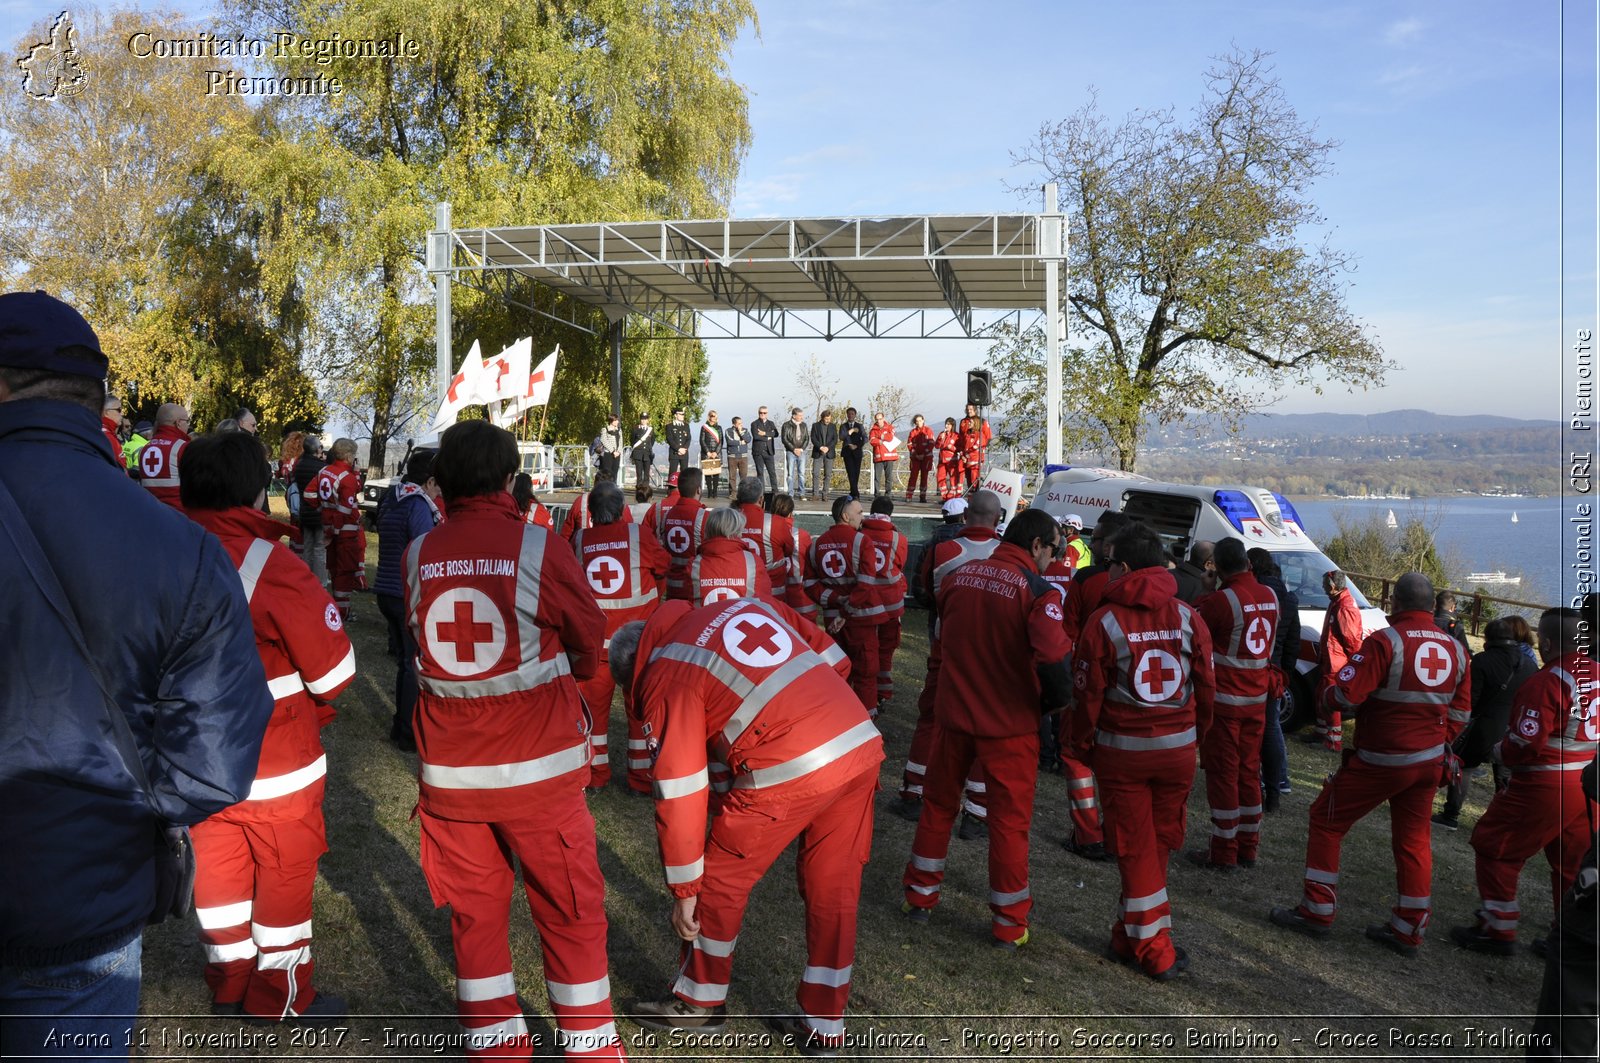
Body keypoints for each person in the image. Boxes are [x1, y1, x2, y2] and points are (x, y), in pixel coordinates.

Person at [0, 291, 272, 1057]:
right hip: (82, 908)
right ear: (95, 401)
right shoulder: (183, 550)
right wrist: (119, 805)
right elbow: (215, 762)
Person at [402, 420, 625, 1061]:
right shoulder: (538, 549)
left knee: (475, 923)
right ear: (509, 479)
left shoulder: (419, 554)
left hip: (451, 782)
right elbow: (588, 644)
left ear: (441, 481)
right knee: (572, 916)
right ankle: (590, 1052)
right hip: (541, 780)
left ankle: (495, 1051)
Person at [614, 598, 880, 1054]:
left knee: (718, 883)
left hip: (787, 766)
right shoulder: (743, 604)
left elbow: (680, 790)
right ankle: (824, 1022)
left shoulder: (664, 673)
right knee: (834, 890)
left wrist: (684, 891)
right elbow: (836, 659)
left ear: (633, 672)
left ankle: (700, 1000)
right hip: (856, 740)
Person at [179, 431, 354, 1023]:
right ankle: (280, 1000)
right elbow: (336, 674)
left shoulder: (155, 548)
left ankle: (228, 986)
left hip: (189, 759)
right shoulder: (269, 564)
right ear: (257, 490)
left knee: (216, 877)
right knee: (283, 880)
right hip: (274, 762)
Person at [1268, 572, 1470, 957]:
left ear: (1396, 603)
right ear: (1431, 606)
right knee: (1413, 842)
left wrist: (1325, 697)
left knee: (1326, 820)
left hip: (1383, 756)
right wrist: (1439, 740)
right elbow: (1462, 710)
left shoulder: (1386, 641)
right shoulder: (1458, 649)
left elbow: (1345, 694)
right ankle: (1409, 928)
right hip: (1428, 761)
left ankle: (1317, 910)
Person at [901, 510, 1071, 949]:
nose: (1056, 558)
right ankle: (1009, 925)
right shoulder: (1038, 591)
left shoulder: (961, 576)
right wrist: (1052, 705)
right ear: (1036, 544)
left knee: (937, 808)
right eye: (1055, 548)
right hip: (1008, 725)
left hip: (953, 716)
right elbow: (1054, 658)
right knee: (1008, 824)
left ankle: (919, 897)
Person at [1067, 520, 1216, 980]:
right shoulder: (1191, 617)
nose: (1106, 572)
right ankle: (1127, 935)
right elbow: (1207, 690)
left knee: (1134, 850)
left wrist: (1078, 746)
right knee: (1156, 846)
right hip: (1177, 753)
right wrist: (1197, 740)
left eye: (1109, 563)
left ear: (1125, 566)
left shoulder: (1103, 621)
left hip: (1123, 755)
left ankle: (1156, 952)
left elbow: (1087, 696)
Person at [1451, 608, 1598, 955]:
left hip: (1546, 784)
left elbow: (1525, 741)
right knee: (1574, 864)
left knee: (1495, 846)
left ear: (1545, 642)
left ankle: (1497, 930)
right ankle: (1568, 936)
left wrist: (1500, 751)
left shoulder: (1549, 681)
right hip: (1589, 783)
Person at [897, 490, 1002, 827]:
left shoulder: (944, 550)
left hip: (947, 650)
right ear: (998, 519)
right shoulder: (1008, 553)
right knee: (983, 730)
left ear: (967, 514)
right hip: (991, 658)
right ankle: (977, 810)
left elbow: (927, 591)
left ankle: (914, 792)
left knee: (930, 721)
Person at [571, 480, 670, 793]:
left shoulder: (579, 540)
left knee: (593, 714)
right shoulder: (637, 535)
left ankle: (595, 776)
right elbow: (663, 565)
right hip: (637, 645)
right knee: (640, 711)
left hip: (596, 646)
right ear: (622, 510)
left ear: (590, 512)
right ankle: (641, 778)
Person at [1188, 537, 1279, 873]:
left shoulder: (1222, 600)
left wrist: (1206, 590)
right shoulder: (1270, 596)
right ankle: (1248, 847)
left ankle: (1223, 851)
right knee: (1248, 773)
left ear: (1220, 569)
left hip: (1225, 704)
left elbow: (1195, 626)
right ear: (1249, 564)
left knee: (1223, 776)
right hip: (1257, 703)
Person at [375, 447, 443, 752]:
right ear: (429, 482)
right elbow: (424, 549)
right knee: (412, 664)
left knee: (404, 661)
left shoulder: (392, 498)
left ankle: (400, 725)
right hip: (406, 592)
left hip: (386, 589)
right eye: (438, 484)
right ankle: (406, 731)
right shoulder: (418, 505)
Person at [808, 494, 894, 713]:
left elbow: (809, 585)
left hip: (833, 620)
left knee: (839, 669)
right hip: (861, 618)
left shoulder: (816, 544)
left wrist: (836, 601)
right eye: (859, 513)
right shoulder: (861, 540)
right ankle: (867, 717)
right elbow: (866, 582)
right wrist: (846, 610)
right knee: (866, 671)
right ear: (845, 516)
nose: (862, 518)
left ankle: (841, 715)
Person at [1249, 549, 1298, 807]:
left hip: (1251, 668)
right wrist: (1285, 674)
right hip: (1275, 670)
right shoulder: (1289, 598)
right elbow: (1293, 641)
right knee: (1272, 727)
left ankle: (1251, 781)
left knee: (1249, 728)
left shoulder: (1251, 594)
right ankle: (1278, 782)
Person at [860, 495, 909, 707]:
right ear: (890, 514)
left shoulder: (859, 533)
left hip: (866, 600)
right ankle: (882, 692)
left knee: (865, 647)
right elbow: (901, 564)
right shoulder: (899, 538)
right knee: (886, 649)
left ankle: (863, 690)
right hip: (890, 602)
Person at [1311, 569, 1365, 752]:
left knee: (1330, 699)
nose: (1323, 589)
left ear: (1333, 586)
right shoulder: (1338, 602)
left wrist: (1353, 664)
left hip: (1337, 663)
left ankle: (1333, 741)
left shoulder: (1344, 606)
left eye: (1326, 586)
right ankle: (1321, 732)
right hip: (1331, 660)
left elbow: (1351, 640)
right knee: (1321, 693)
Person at [313, 438, 365, 621]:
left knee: (334, 570)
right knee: (344, 572)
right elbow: (345, 508)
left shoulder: (323, 471)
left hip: (330, 527)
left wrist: (322, 511)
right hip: (345, 533)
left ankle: (336, 607)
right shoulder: (346, 478)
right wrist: (334, 529)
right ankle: (342, 612)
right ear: (349, 456)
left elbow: (309, 495)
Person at [686, 506, 775, 606]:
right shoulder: (753, 562)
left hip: (703, 621)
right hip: (742, 620)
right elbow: (765, 598)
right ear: (737, 531)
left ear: (708, 529)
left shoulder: (694, 565)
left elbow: (689, 599)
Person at [734, 475, 793, 586]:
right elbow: (789, 550)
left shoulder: (725, 521)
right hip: (773, 590)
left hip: (738, 589)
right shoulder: (777, 523)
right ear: (761, 499)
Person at [136, 401, 192, 509]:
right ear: (178, 422)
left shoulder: (144, 449)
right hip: (178, 513)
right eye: (187, 421)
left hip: (150, 511)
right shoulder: (183, 448)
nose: (188, 425)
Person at [293, 437, 329, 587]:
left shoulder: (299, 466)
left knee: (307, 547)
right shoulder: (322, 468)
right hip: (319, 512)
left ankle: (305, 580)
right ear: (317, 449)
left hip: (305, 512)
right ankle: (320, 582)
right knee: (320, 548)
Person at [560, 478, 633, 541]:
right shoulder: (634, 534)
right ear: (621, 510)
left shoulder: (579, 539)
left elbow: (566, 534)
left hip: (586, 542)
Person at [957, 402, 991, 491]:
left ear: (975, 410)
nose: (969, 411)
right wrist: (962, 453)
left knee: (974, 478)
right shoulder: (963, 421)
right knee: (967, 478)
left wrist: (979, 450)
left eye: (971, 409)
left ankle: (974, 497)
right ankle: (969, 497)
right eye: (967, 409)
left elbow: (987, 438)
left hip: (975, 456)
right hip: (965, 455)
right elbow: (961, 438)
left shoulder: (982, 421)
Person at [748, 405, 778, 496]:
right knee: (760, 473)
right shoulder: (754, 424)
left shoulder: (771, 423)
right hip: (758, 452)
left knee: (772, 472)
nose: (762, 414)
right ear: (758, 413)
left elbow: (776, 433)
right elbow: (756, 436)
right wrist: (768, 437)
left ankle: (775, 491)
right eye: (761, 413)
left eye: (764, 413)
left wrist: (764, 433)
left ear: (767, 414)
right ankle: (762, 492)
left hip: (769, 452)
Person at [868, 412, 900, 496]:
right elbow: (872, 441)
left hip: (889, 457)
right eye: (877, 419)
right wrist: (880, 440)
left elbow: (890, 437)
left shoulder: (890, 427)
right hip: (878, 457)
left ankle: (888, 494)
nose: (879, 421)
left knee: (888, 477)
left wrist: (881, 436)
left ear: (883, 418)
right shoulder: (873, 430)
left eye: (880, 419)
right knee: (877, 477)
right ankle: (877, 494)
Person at [905, 414, 935, 503]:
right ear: (915, 422)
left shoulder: (928, 430)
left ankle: (923, 496)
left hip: (926, 458)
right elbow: (909, 444)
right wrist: (915, 454)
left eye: (920, 420)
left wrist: (924, 454)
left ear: (923, 420)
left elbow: (931, 443)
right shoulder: (913, 432)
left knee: (924, 477)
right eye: (917, 421)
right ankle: (909, 495)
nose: (919, 422)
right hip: (915, 458)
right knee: (913, 476)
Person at [838, 407, 867, 498]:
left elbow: (865, 438)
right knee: (850, 472)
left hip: (857, 452)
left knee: (856, 473)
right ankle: (855, 493)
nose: (850, 415)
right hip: (847, 452)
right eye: (849, 414)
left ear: (855, 415)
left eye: (852, 414)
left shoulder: (860, 426)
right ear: (847, 415)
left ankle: (853, 491)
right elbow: (841, 437)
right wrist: (850, 431)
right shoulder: (843, 426)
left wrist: (857, 446)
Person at [810, 409, 837, 500]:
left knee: (828, 474)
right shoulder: (815, 426)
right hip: (818, 452)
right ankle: (815, 494)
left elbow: (835, 439)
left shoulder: (833, 426)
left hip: (829, 453)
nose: (828, 420)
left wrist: (827, 448)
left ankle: (825, 494)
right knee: (816, 473)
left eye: (829, 418)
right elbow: (813, 438)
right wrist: (820, 447)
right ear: (822, 418)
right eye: (826, 419)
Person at [780, 406, 808, 497]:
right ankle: (790, 493)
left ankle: (802, 493)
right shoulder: (786, 425)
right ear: (794, 416)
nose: (801, 417)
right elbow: (784, 439)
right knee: (790, 474)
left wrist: (801, 449)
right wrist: (793, 449)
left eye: (802, 415)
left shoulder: (804, 425)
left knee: (801, 474)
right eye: (800, 415)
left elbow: (807, 438)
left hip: (801, 452)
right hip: (790, 452)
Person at [934, 417, 961, 500]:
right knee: (940, 478)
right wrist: (940, 439)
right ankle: (945, 498)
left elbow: (959, 449)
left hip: (952, 461)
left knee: (953, 479)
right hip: (942, 460)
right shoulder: (942, 434)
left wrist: (951, 447)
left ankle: (952, 497)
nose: (946, 425)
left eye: (949, 424)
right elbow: (937, 446)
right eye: (946, 424)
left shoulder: (956, 435)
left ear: (952, 425)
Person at [698, 411, 723, 499]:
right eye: (712, 416)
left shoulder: (719, 428)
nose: (713, 418)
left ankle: (715, 492)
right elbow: (702, 440)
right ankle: (709, 492)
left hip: (717, 454)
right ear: (709, 417)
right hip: (706, 454)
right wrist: (708, 452)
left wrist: (716, 452)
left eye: (715, 416)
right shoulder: (704, 427)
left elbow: (721, 441)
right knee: (708, 474)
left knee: (716, 473)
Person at [595, 414, 624, 483]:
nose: (617, 422)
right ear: (611, 421)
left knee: (615, 472)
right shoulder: (605, 429)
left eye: (617, 420)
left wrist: (618, 451)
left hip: (617, 454)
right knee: (607, 473)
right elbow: (604, 440)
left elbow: (621, 442)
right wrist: (613, 451)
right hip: (608, 454)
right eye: (616, 420)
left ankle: (613, 488)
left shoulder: (619, 430)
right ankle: (606, 488)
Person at [629, 412, 655, 489]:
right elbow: (632, 440)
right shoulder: (635, 429)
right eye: (642, 419)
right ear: (640, 420)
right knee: (639, 471)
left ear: (648, 420)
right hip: (638, 452)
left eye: (645, 419)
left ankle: (646, 486)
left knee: (647, 471)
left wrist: (648, 448)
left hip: (647, 453)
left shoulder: (651, 430)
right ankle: (639, 486)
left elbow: (652, 441)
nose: (643, 421)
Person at [665, 409, 691, 482]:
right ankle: (671, 490)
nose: (683, 416)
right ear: (676, 415)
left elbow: (688, 439)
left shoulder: (686, 426)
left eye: (683, 414)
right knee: (672, 473)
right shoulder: (669, 426)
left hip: (684, 453)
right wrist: (678, 449)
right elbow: (669, 439)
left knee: (684, 473)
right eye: (681, 414)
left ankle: (684, 490)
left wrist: (684, 449)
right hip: (674, 453)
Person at [723, 415, 750, 485]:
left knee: (744, 476)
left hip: (743, 456)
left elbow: (748, 439)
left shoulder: (745, 430)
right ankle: (733, 494)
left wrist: (741, 432)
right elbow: (730, 442)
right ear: (734, 424)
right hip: (732, 456)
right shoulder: (728, 431)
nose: (741, 425)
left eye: (741, 423)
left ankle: (743, 492)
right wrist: (741, 442)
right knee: (732, 477)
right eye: (739, 423)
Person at [99, 392, 122, 459]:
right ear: (106, 412)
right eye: (119, 410)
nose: (122, 414)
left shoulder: (98, 430)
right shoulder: (108, 437)